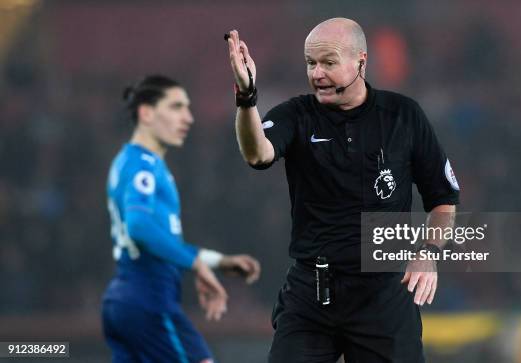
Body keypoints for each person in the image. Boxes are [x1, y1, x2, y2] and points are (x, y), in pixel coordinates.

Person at [226, 18, 459, 363]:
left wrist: (428, 252)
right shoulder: (297, 114)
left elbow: (443, 200)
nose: (317, 73)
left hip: (383, 294)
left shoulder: (403, 116)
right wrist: (247, 98)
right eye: (310, 63)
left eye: (328, 63)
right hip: (312, 293)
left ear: (361, 62)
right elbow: (257, 153)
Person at [101, 75, 261, 363]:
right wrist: (195, 264)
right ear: (146, 112)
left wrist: (217, 261)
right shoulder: (143, 165)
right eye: (176, 107)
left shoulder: (130, 162)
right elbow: (138, 227)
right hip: (149, 300)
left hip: (125, 300)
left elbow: (160, 240)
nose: (188, 118)